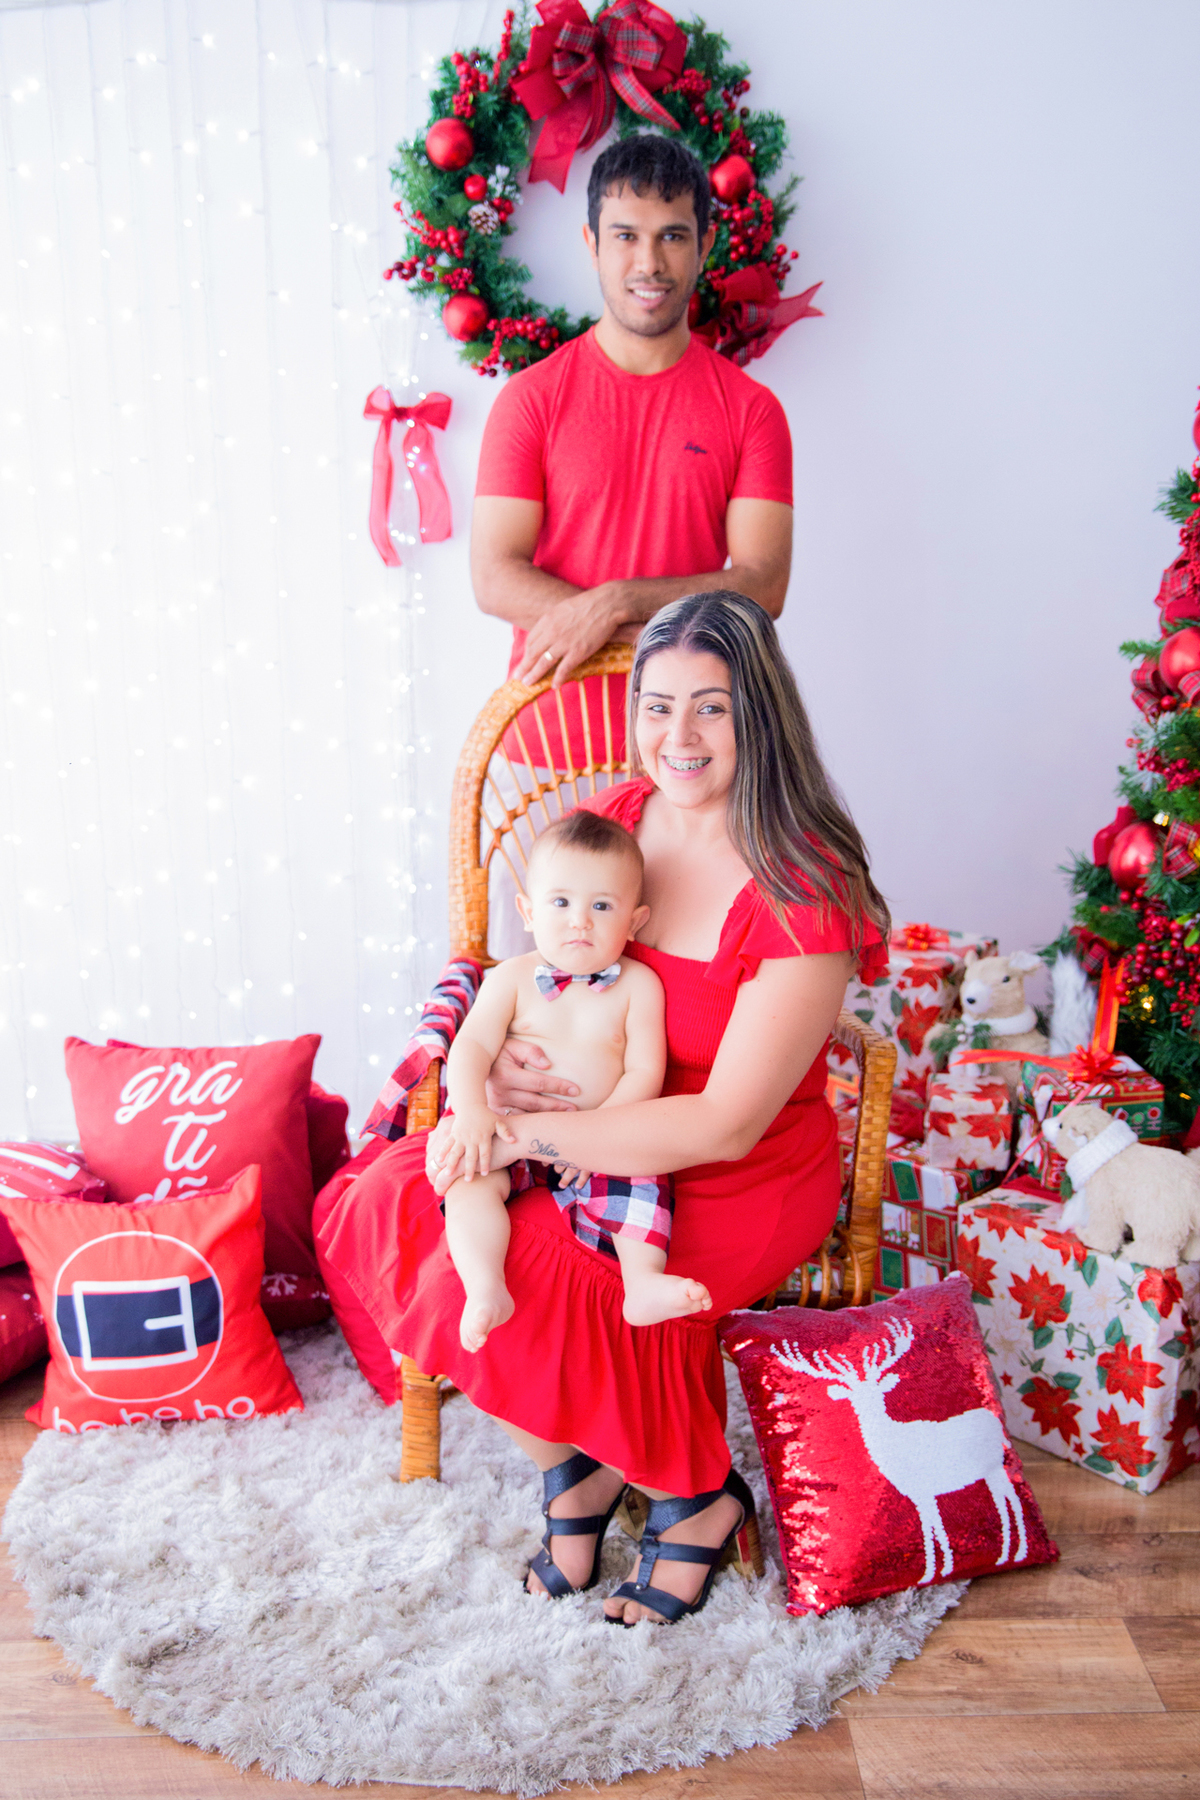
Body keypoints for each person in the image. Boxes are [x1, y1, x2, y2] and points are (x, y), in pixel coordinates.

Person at [314, 591, 889, 1626]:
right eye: (657, 705)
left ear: (761, 714)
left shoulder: (807, 882)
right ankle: (579, 1466)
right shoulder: (618, 820)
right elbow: (530, 976)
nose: (678, 736)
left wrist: (532, 1132)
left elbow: (725, 1122)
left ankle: (696, 1498)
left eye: (711, 708)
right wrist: (498, 1081)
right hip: (584, 1129)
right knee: (398, 1193)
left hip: (730, 1170)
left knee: (560, 1271)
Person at [471, 134, 794, 699]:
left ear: (706, 243)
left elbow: (764, 586)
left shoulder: (752, 410)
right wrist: (643, 630)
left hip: (689, 746)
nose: (650, 263)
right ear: (592, 244)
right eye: (626, 236)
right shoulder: (530, 398)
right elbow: (494, 576)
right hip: (545, 752)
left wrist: (618, 601)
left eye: (673, 236)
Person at [440, 808, 710, 1353]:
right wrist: (471, 1110)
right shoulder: (511, 978)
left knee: (645, 1174)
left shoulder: (640, 986)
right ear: (528, 910)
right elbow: (469, 1047)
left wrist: (598, 1138)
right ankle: (485, 1286)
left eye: (601, 906)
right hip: (512, 1129)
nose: (579, 921)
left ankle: (641, 1282)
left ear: (633, 921)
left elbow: (644, 1073)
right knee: (468, 1184)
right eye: (561, 903)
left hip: (600, 1137)